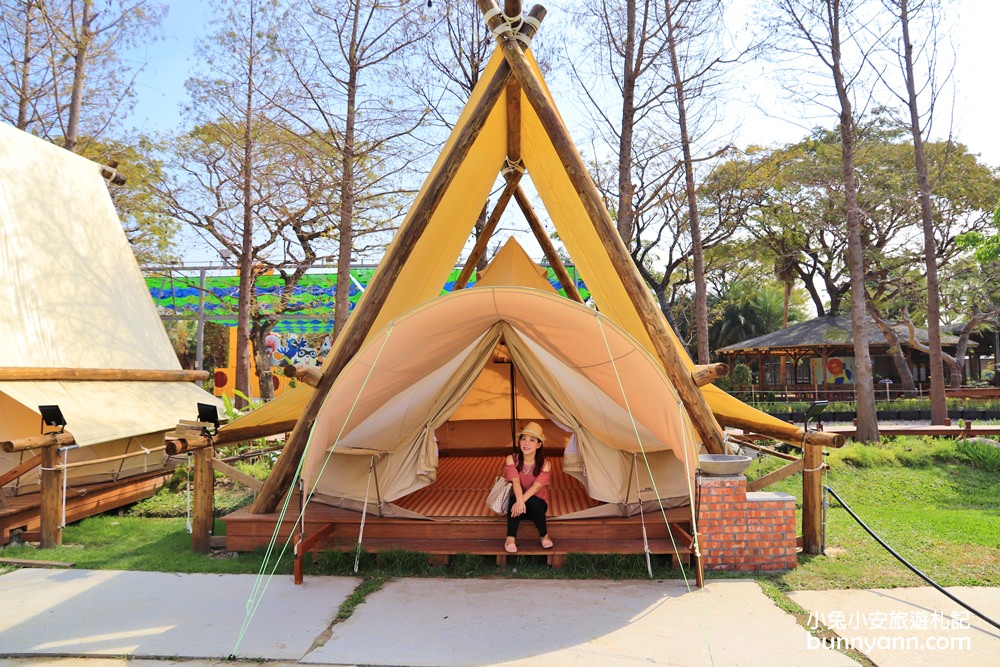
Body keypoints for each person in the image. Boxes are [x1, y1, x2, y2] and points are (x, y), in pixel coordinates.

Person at [503, 421, 554, 553]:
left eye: (532, 440)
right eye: (523, 439)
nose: (526, 443)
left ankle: (544, 536)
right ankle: (510, 539)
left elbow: (535, 488)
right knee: (514, 499)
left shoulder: (545, 464)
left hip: (537, 507)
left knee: (532, 500)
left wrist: (521, 501)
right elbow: (515, 482)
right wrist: (519, 502)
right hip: (517, 508)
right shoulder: (512, 459)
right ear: (519, 442)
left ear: (538, 444)